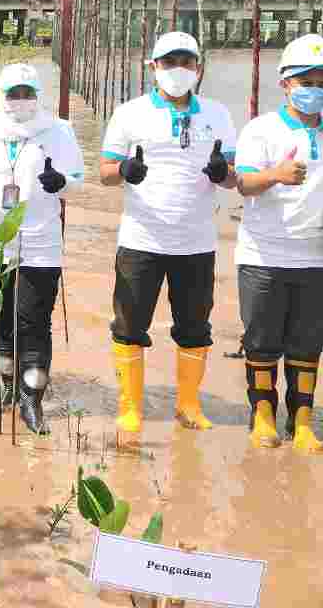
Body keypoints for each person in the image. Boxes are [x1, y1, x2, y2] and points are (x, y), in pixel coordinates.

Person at [99, 31, 237, 434]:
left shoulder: (218, 114)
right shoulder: (129, 113)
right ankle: (130, 407)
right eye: (169, 62)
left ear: (198, 68)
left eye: (186, 62)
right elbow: (105, 172)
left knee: (195, 326)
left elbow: (232, 178)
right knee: (128, 326)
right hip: (141, 240)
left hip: (196, 243)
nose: (178, 70)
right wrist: (125, 170)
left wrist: (222, 173)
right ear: (153, 67)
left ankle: (190, 405)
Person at [233, 34, 323, 453]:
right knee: (261, 340)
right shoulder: (261, 130)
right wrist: (275, 175)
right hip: (263, 254)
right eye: (306, 80)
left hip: (318, 257)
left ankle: (303, 419)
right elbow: (243, 183)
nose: (315, 90)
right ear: (285, 82)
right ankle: (262, 414)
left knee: (307, 343)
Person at [0, 62, 84, 432]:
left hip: (41, 244)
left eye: (28, 93)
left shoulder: (58, 131)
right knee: (2, 320)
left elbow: (78, 180)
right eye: (13, 94)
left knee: (34, 322)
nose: (20, 100)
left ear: (38, 97)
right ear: (1, 96)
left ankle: (32, 400)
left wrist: (61, 181)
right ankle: (7, 386)